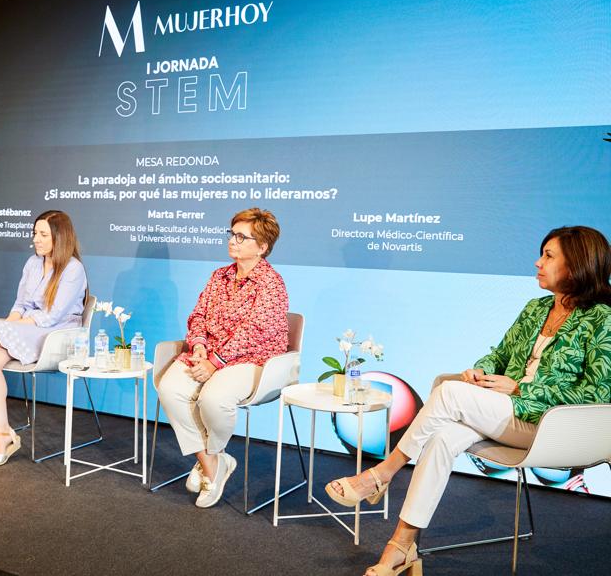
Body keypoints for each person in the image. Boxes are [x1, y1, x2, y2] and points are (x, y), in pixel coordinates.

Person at [325, 225, 611, 576]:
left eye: (549, 256)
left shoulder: (603, 318)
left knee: (448, 393)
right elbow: (500, 355)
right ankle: (400, 547)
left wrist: (521, 390)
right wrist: (481, 371)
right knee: (444, 434)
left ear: (577, 264)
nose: (538, 262)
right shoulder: (536, 308)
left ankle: (382, 473)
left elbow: (597, 396)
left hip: (553, 427)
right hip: (509, 415)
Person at [157, 208, 289, 508]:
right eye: (232, 234)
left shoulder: (271, 283)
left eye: (243, 237)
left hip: (253, 360)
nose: (234, 241)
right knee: (169, 388)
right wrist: (200, 346)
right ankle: (213, 464)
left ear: (262, 246)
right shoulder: (219, 276)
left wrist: (215, 361)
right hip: (209, 354)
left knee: (213, 399)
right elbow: (199, 315)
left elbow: (255, 332)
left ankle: (211, 460)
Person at [0, 210, 87, 467]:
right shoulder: (32, 263)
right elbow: (20, 304)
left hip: (53, 336)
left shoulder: (73, 269)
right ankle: (3, 435)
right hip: (25, 329)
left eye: (43, 234)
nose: (36, 239)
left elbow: (52, 317)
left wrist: (8, 328)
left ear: (60, 237)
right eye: (35, 233)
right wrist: (7, 326)